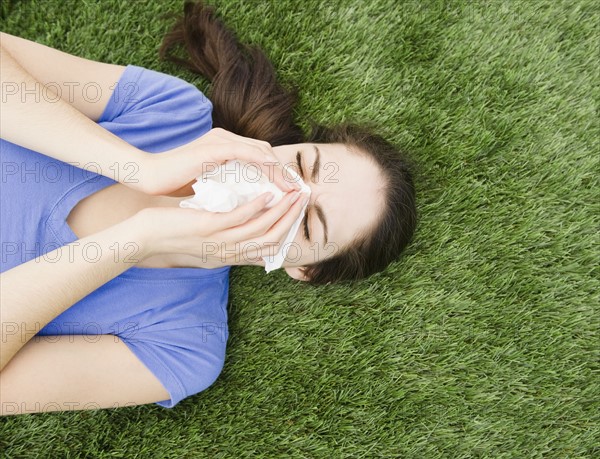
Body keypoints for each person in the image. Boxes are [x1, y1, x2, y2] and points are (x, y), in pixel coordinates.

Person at [0, 1, 417, 414]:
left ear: (302, 269)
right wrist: (139, 167)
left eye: (307, 223)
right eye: (303, 165)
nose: (283, 193)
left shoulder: (184, 344)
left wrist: (138, 239)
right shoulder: (174, 111)